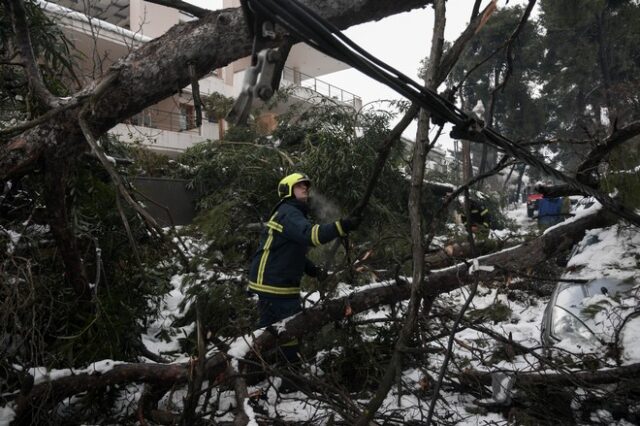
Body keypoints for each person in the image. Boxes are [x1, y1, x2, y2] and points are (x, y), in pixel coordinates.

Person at [248, 172, 360, 363]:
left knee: (267, 331)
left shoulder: (291, 213)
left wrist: (312, 270)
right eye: (300, 186)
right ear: (288, 190)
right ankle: (289, 374)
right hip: (276, 284)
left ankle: (252, 366)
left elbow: (290, 251)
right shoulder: (288, 212)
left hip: (271, 282)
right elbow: (311, 235)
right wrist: (341, 226)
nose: (305, 189)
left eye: (306, 186)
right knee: (290, 330)